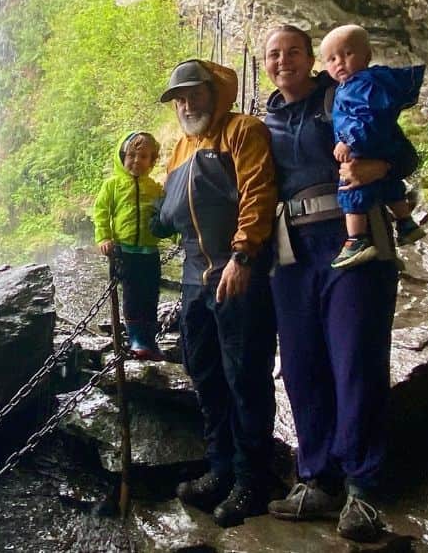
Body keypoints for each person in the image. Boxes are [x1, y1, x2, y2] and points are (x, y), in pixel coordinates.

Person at [262, 25, 418, 543]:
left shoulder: (344, 98)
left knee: (355, 360)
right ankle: (318, 477)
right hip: (291, 251)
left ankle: (363, 488)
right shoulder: (264, 120)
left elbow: (403, 152)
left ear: (312, 59)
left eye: (293, 52)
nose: (283, 61)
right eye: (273, 54)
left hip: (352, 239)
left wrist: (382, 165)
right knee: (303, 366)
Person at [151, 59, 279, 527]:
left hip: (236, 272)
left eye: (193, 94)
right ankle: (220, 468)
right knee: (204, 372)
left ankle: (252, 481)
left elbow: (257, 193)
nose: (186, 104)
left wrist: (244, 255)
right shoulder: (181, 148)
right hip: (193, 276)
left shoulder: (243, 131)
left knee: (244, 375)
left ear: (214, 92)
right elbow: (169, 214)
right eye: (179, 99)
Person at [319, 24, 426, 268]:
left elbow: (369, 117)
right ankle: (406, 222)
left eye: (347, 54)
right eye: (332, 59)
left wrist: (351, 142)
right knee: (390, 187)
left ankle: (356, 239)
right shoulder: (358, 86)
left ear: (366, 56)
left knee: (350, 190)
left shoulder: (361, 86)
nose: (339, 63)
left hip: (360, 151)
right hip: (374, 148)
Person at [91, 131, 166, 360]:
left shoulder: (154, 188)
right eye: (132, 155)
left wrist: (177, 236)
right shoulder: (113, 185)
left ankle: (149, 339)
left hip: (149, 251)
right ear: (122, 157)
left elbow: (164, 216)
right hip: (125, 252)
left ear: (152, 161)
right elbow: (102, 212)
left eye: (143, 156)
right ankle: (136, 338)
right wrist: (104, 238)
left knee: (150, 293)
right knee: (132, 295)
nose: (136, 161)